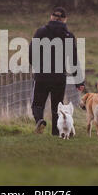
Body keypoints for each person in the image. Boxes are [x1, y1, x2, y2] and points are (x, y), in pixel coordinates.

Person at [29, 7, 85, 135]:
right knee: (56, 106)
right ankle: (56, 131)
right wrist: (79, 81)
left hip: (42, 75)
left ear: (51, 17)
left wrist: (36, 65)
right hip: (59, 77)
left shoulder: (40, 32)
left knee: (37, 104)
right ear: (65, 19)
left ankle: (40, 121)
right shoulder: (68, 36)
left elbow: (32, 52)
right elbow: (73, 60)